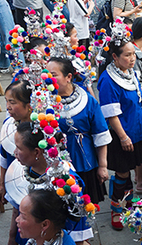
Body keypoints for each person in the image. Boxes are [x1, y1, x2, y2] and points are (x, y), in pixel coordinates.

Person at [98, 22, 142, 227]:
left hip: (137, 127)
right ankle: (116, 207)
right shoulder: (108, 81)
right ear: (114, 57)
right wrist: (123, 137)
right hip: (122, 133)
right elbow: (112, 114)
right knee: (122, 171)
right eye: (127, 55)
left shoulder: (129, 72)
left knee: (132, 167)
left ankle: (128, 202)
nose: (132, 59)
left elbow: (139, 93)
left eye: (133, 54)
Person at [47, 56, 110, 212]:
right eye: (46, 74)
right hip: (57, 162)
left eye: (53, 75)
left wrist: (103, 166)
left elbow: (100, 135)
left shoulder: (88, 101)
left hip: (84, 159)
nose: (48, 79)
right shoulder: (44, 102)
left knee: (85, 203)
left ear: (69, 77)